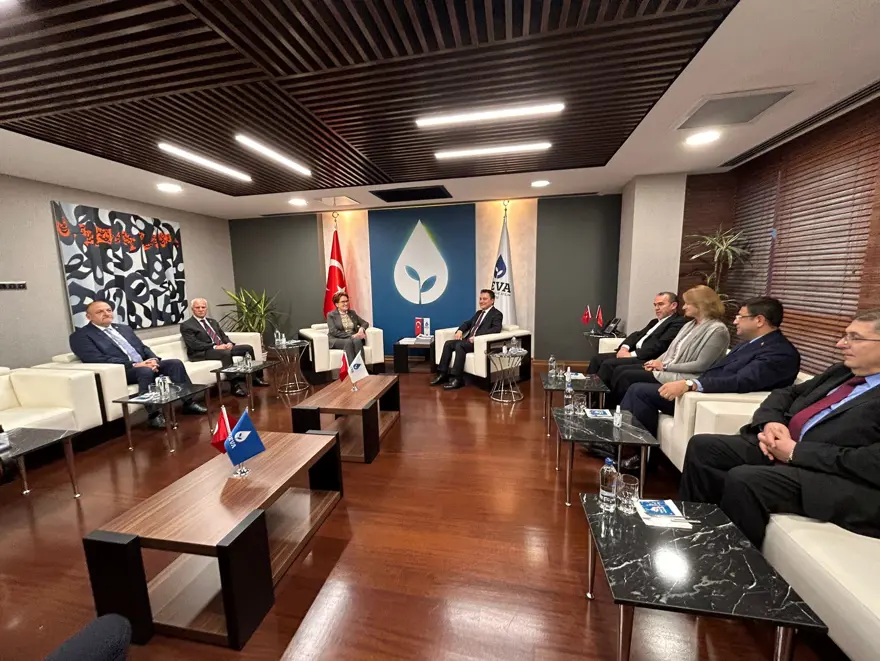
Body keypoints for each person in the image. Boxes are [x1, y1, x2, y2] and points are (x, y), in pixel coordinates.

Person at [680, 309, 880, 548]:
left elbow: (871, 462)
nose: (841, 344)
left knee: (745, 479)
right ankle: (694, 531)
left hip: (837, 476)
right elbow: (786, 393)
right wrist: (772, 423)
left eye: (854, 338)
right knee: (704, 446)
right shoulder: (842, 372)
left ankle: (729, 560)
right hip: (784, 447)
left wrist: (795, 452)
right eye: (845, 335)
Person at [622, 297, 801, 438]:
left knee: (640, 391)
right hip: (704, 391)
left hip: (716, 400)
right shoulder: (751, 343)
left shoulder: (779, 353)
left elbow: (741, 381)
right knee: (636, 387)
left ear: (759, 320)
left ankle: (634, 454)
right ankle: (622, 444)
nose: (735, 321)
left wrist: (691, 384)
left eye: (740, 317)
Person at [69, 300, 206, 429]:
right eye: (100, 312)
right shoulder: (81, 336)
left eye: (109, 310)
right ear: (88, 316)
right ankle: (154, 415)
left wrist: (153, 359)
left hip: (143, 364)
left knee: (175, 363)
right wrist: (136, 365)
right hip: (123, 370)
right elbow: (96, 358)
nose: (106, 313)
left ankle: (189, 403)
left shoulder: (123, 328)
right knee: (145, 371)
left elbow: (142, 347)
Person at [605, 285, 730, 407]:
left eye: (688, 303)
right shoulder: (690, 325)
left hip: (684, 376)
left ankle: (615, 411)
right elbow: (672, 349)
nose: (684, 307)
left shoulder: (717, 330)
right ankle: (607, 409)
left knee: (626, 375)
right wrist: (655, 362)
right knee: (621, 371)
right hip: (669, 368)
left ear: (701, 305)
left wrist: (664, 366)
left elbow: (701, 365)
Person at [588, 292, 687, 383]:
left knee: (608, 364)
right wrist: (624, 348)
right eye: (655, 305)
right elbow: (636, 335)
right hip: (633, 352)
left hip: (646, 357)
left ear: (673, 305)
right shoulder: (654, 322)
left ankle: (600, 396)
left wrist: (630, 354)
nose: (656, 308)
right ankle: (587, 390)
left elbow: (660, 345)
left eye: (660, 304)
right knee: (597, 359)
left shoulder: (678, 322)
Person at [180, 298, 264, 398]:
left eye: (203, 307)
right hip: (201, 352)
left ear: (206, 308)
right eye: (197, 307)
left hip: (221, 347)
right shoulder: (187, 325)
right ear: (192, 309)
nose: (201, 309)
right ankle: (234, 385)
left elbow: (223, 336)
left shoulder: (212, 321)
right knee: (226, 353)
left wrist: (229, 343)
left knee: (247, 348)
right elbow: (194, 344)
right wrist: (215, 346)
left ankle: (254, 378)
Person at [431, 289, 503, 390]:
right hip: (468, 340)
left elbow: (496, 329)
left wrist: (477, 337)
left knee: (459, 345)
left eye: (485, 299)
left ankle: (457, 379)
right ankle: (443, 374)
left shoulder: (497, 314)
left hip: (479, 343)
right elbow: (468, 323)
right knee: (448, 344)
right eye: (480, 299)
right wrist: (460, 330)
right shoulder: (479, 313)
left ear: (492, 300)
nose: (481, 301)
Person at [327, 292, 370, 364]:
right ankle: (351, 368)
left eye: (347, 301)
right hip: (336, 339)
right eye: (343, 302)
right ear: (337, 304)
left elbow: (365, 323)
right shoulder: (331, 315)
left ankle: (361, 367)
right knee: (349, 342)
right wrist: (352, 336)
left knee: (357, 340)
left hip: (353, 338)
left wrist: (361, 329)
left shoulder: (352, 313)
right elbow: (333, 331)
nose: (346, 303)